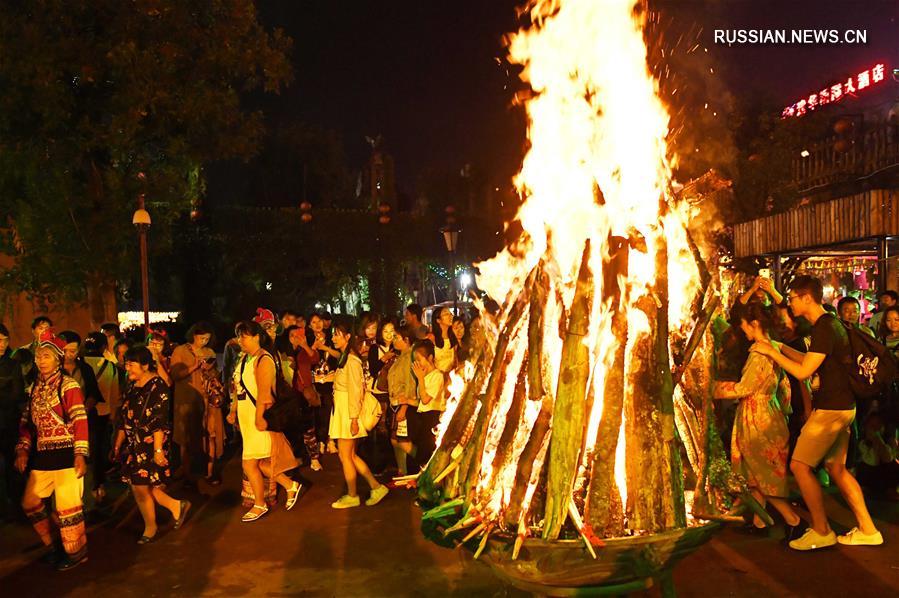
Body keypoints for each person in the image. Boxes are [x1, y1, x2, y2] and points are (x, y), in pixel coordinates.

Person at [753, 275, 883, 549]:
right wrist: (780, 347)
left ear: (807, 298)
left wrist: (772, 353)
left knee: (800, 466)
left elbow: (803, 372)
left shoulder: (825, 328)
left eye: (792, 298)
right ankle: (869, 530)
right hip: (842, 407)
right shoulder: (828, 325)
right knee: (837, 469)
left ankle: (822, 530)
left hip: (831, 410)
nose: (789, 303)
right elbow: (811, 361)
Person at [713, 302, 804, 541]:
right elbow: (784, 387)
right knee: (755, 471)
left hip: (758, 418)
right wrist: (783, 410)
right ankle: (759, 521)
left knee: (763, 475)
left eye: (743, 325)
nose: (741, 330)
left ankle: (794, 521)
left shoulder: (759, 352)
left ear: (754, 324)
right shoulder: (772, 346)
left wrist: (713, 389)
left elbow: (745, 387)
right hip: (769, 414)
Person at [15, 332, 89, 570]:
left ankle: (76, 553)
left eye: (46, 356)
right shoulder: (33, 388)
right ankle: (55, 545)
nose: (41, 360)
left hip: (67, 455)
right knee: (30, 502)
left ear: (58, 359)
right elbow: (27, 423)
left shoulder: (69, 385)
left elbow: (79, 419)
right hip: (43, 456)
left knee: (67, 510)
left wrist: (80, 454)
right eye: (38, 356)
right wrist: (23, 450)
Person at [112, 346, 190, 543]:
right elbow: (124, 416)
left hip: (151, 444)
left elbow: (159, 421)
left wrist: (157, 451)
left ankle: (150, 527)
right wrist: (118, 442)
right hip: (133, 444)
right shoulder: (131, 386)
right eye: (126, 364)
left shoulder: (158, 386)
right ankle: (175, 506)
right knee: (141, 485)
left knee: (140, 487)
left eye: (131, 364)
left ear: (145, 365)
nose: (127, 368)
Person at [228, 320, 300, 521]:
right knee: (257, 463)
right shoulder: (245, 359)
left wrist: (259, 417)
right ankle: (289, 485)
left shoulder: (264, 359)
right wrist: (234, 410)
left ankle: (260, 503)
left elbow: (265, 393)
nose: (241, 340)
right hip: (247, 418)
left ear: (257, 337)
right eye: (239, 335)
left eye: (245, 336)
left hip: (258, 418)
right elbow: (239, 388)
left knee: (250, 463)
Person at [329, 320, 388, 509]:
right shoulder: (346, 358)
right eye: (334, 334)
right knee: (350, 455)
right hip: (344, 411)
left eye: (337, 334)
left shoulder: (352, 360)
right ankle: (375, 487)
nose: (333, 338)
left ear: (348, 337)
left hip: (348, 413)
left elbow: (355, 391)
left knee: (346, 456)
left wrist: (354, 419)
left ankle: (353, 494)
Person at [170, 322, 215, 486]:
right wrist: (193, 367)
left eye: (207, 339)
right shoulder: (180, 351)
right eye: (202, 338)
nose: (204, 341)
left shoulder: (209, 352)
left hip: (205, 398)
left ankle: (204, 470)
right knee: (184, 435)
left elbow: (214, 374)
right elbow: (174, 374)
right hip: (185, 398)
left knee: (204, 433)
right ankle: (185, 469)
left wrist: (208, 369)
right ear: (193, 335)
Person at [82, 332, 119, 504]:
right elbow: (115, 395)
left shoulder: (79, 365)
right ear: (104, 347)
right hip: (102, 415)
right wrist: (113, 415)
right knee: (98, 451)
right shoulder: (110, 366)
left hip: (80, 414)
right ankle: (98, 486)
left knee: (82, 450)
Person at [286, 324, 322, 471]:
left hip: (304, 394)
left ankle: (314, 458)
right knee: (293, 428)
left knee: (308, 428)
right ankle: (297, 457)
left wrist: (305, 345)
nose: (295, 338)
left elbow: (315, 358)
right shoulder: (284, 353)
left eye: (298, 335)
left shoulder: (303, 353)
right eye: (292, 336)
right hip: (290, 395)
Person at [0, 324, 26, 521]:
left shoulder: (12, 364)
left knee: (12, 467)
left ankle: (16, 507)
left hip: (8, 423)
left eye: (5, 340)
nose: (2, 344)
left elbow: (16, 394)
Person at [387, 326, 418, 476]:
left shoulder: (409, 357)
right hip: (395, 403)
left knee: (403, 441)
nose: (393, 340)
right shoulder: (401, 356)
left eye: (396, 337)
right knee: (395, 439)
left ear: (406, 340)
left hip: (403, 403)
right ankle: (402, 470)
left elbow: (410, 383)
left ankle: (424, 462)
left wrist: (404, 407)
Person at [410, 339, 445, 465]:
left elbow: (425, 400)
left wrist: (420, 378)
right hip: (423, 417)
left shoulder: (437, 376)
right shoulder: (425, 376)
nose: (417, 363)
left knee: (426, 453)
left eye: (419, 359)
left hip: (432, 417)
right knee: (421, 452)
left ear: (430, 358)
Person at [310, 312, 339, 455]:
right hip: (315, 383)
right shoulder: (308, 340)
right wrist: (314, 347)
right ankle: (320, 441)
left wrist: (325, 348)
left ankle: (330, 439)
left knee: (329, 411)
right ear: (309, 325)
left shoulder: (331, 339)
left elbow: (339, 356)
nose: (318, 324)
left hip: (330, 382)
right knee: (317, 413)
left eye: (320, 321)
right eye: (314, 322)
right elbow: (306, 360)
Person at [16, 316, 53, 385]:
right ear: (33, 331)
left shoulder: (57, 350)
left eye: (47, 328)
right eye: (41, 328)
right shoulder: (24, 350)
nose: (44, 332)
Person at [431, 307, 457, 374]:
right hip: (436, 379)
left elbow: (455, 361)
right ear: (438, 320)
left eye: (451, 314)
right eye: (446, 314)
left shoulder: (453, 338)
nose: (450, 316)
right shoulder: (432, 338)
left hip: (451, 378)